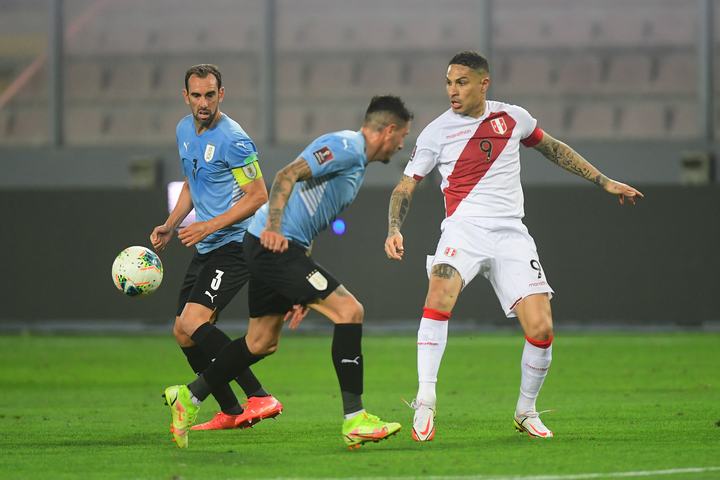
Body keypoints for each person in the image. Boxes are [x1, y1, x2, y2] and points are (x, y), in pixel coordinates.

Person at [384, 51, 644, 441]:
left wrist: (604, 181)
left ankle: (526, 410)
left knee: (541, 329)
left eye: (462, 82)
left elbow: (554, 148)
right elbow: (405, 186)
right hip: (463, 231)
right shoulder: (436, 132)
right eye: (449, 83)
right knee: (439, 293)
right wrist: (394, 228)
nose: (453, 91)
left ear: (483, 83)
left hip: (511, 235)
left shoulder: (513, 118)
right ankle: (426, 399)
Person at [162, 95, 413, 449]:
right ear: (388, 130)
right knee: (350, 310)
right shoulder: (345, 147)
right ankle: (355, 418)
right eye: (402, 135)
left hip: (276, 248)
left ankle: (189, 397)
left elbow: (306, 220)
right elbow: (286, 174)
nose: (402, 144)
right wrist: (275, 228)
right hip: (273, 245)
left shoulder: (356, 165)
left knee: (261, 342)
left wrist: (296, 289)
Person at [151, 64, 282, 438]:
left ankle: (259, 396)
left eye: (210, 95)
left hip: (236, 244)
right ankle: (230, 409)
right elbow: (193, 183)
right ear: (186, 97)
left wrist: (208, 225)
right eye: (196, 95)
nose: (203, 103)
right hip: (207, 245)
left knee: (194, 321)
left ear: (221, 94)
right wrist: (171, 223)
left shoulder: (233, 140)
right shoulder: (184, 130)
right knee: (183, 332)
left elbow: (258, 196)